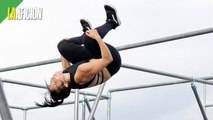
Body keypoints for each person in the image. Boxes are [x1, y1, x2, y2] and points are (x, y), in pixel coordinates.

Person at [36, 4, 121, 107]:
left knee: (62, 45)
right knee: (89, 40)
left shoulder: (65, 76)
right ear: (66, 85)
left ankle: (85, 33)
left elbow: (66, 66)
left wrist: (64, 47)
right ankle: (112, 22)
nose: (52, 79)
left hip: (94, 60)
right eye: (55, 83)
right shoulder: (81, 74)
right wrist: (97, 38)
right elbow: (107, 59)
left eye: (51, 83)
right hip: (110, 62)